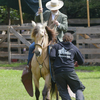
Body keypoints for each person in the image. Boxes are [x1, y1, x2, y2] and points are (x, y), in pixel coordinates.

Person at [26, 0, 68, 68]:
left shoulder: (63, 16)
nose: (53, 10)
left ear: (58, 8)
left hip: (55, 39)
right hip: (44, 37)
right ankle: (29, 65)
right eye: (52, 8)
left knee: (57, 51)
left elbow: (65, 28)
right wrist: (38, 13)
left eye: (54, 8)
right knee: (31, 47)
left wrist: (59, 24)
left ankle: (60, 67)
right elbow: (37, 21)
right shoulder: (46, 13)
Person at [49, 33, 85, 100]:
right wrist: (77, 62)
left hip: (58, 72)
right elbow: (82, 61)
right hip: (70, 71)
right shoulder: (74, 48)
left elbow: (52, 56)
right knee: (79, 88)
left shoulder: (56, 46)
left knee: (63, 91)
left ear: (63, 39)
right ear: (71, 40)